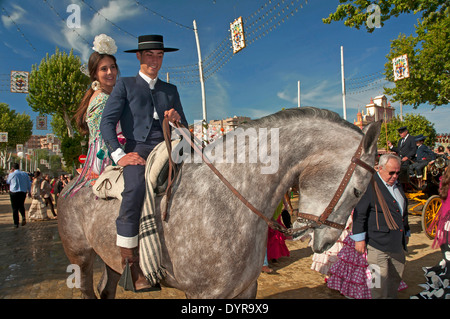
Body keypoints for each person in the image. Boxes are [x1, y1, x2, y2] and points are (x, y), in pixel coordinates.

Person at [100, 34, 188, 292]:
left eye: (159, 55)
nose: (155, 60)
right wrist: (119, 155)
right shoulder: (125, 85)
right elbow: (107, 123)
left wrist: (176, 120)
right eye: (149, 55)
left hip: (167, 145)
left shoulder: (170, 90)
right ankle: (130, 264)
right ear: (138, 57)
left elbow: (184, 126)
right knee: (135, 188)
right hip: (136, 148)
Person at [62, 34, 120, 197]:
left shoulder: (102, 95)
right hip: (106, 159)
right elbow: (106, 136)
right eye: (104, 69)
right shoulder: (103, 99)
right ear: (94, 74)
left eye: (113, 67)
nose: (110, 72)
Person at [352, 154, 410, 298]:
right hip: (377, 245)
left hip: (396, 245)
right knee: (377, 284)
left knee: (394, 280)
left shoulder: (397, 185)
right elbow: (360, 214)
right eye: (391, 172)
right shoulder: (369, 186)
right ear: (380, 168)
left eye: (398, 172)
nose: (395, 176)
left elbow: (403, 212)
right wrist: (359, 239)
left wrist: (406, 233)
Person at [6, 163, 31, 228]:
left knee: (14, 208)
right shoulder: (25, 174)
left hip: (14, 192)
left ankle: (16, 223)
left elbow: (8, 182)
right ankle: (23, 216)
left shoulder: (12, 174)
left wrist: (10, 173)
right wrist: (29, 191)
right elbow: (29, 183)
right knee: (21, 205)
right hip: (23, 192)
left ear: (12, 168)